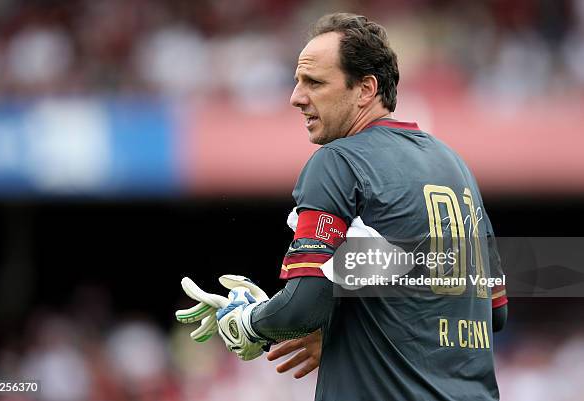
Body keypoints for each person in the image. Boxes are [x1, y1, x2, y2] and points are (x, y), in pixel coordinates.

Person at [215, 12, 508, 400]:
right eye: (297, 81)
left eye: (314, 83)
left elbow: (303, 305)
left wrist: (249, 324)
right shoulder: (456, 167)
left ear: (365, 89)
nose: (296, 97)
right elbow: (494, 311)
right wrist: (353, 326)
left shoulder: (338, 161)